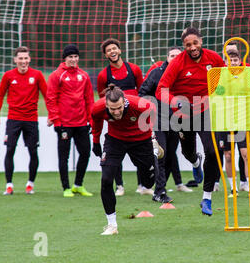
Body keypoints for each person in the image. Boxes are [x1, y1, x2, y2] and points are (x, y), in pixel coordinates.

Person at [156, 27, 226, 216]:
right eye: (188, 45)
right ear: (184, 46)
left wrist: (220, 91)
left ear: (201, 41)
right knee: (188, 153)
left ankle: (206, 198)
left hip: (206, 111)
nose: (192, 47)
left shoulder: (214, 58)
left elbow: (225, 79)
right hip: (183, 115)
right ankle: (196, 163)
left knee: (213, 152)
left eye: (195, 43)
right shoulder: (177, 62)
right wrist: (175, 102)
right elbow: (161, 89)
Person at [91, 85, 157, 235]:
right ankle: (112, 225)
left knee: (148, 182)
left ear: (124, 102)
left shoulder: (140, 105)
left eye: (119, 108)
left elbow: (153, 111)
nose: (116, 112)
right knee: (106, 180)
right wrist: (95, 141)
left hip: (141, 140)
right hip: (115, 141)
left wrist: (152, 135)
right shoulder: (98, 108)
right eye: (112, 109)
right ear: (106, 104)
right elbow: (96, 122)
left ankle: (154, 158)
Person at [139, 46, 193, 196]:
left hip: (177, 122)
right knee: (161, 155)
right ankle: (159, 191)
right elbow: (142, 93)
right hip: (159, 122)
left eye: (178, 55)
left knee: (170, 156)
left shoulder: (186, 75)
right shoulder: (156, 73)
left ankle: (159, 186)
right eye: (172, 55)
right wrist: (152, 108)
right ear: (167, 58)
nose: (175, 58)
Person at [0, 46, 47, 195]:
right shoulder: (8, 76)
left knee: (33, 151)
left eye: (26, 58)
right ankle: (9, 185)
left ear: (29, 59)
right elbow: (0, 95)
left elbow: (47, 95)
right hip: (13, 120)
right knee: (10, 150)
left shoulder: (37, 75)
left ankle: (30, 184)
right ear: (15, 60)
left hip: (31, 120)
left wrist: (54, 115)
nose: (23, 61)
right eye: (20, 58)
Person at [96, 38, 145, 196]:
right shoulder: (104, 75)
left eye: (114, 48)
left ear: (120, 50)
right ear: (105, 55)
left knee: (140, 150)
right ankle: (120, 186)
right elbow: (102, 97)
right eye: (109, 50)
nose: (112, 52)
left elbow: (142, 91)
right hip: (116, 118)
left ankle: (142, 185)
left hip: (134, 116)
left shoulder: (134, 69)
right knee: (116, 152)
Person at [46, 44, 95, 198]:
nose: (73, 59)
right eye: (70, 57)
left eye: (75, 56)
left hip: (81, 123)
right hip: (64, 124)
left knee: (85, 153)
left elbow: (89, 99)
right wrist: (56, 120)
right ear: (65, 59)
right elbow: (51, 98)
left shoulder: (84, 75)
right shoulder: (56, 75)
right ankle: (66, 187)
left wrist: (91, 120)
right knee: (64, 157)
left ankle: (78, 185)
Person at [218, 50, 250, 198]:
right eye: (230, 60)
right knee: (228, 156)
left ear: (240, 61)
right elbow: (217, 94)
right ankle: (233, 189)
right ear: (226, 62)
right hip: (225, 120)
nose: (233, 63)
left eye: (235, 60)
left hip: (243, 120)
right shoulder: (220, 75)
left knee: (246, 154)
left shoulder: (246, 75)